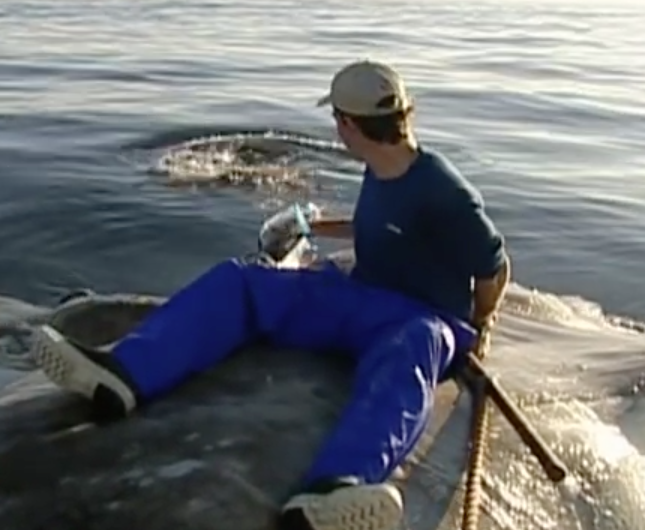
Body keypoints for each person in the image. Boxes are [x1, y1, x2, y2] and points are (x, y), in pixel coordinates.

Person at [31, 59, 511, 530]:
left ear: (348, 124)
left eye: (337, 121)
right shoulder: (381, 168)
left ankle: (336, 488)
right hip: (360, 296)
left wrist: (482, 323)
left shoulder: (445, 189)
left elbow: (493, 266)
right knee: (242, 282)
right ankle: (126, 374)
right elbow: (384, 228)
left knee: (410, 352)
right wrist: (313, 225)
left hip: (417, 318)